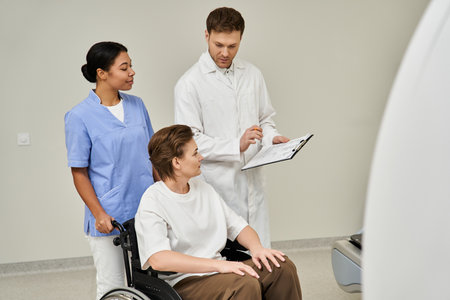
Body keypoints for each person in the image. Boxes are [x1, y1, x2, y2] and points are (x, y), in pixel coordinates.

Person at [135, 124, 302, 299]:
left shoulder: (203, 189)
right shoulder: (153, 200)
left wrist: (257, 248)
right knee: (244, 284)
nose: (201, 157)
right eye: (195, 153)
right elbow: (159, 259)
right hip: (185, 281)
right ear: (176, 162)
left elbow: (238, 226)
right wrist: (217, 266)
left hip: (220, 271)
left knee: (281, 266)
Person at [174, 7, 289, 248]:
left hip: (252, 182)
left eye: (232, 46)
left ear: (240, 40)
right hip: (217, 184)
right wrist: (236, 144)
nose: (225, 52)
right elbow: (189, 141)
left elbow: (265, 120)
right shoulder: (189, 84)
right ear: (206, 36)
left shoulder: (253, 75)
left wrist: (272, 139)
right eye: (218, 44)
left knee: (260, 257)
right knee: (227, 260)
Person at [64, 41, 155, 299]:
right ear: (102, 73)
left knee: (149, 283)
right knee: (113, 286)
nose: (132, 72)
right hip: (110, 216)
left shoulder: (137, 105)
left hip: (147, 208)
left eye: (131, 66)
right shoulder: (79, 116)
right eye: (124, 68)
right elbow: (79, 172)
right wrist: (99, 213)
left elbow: (153, 155)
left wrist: (166, 194)